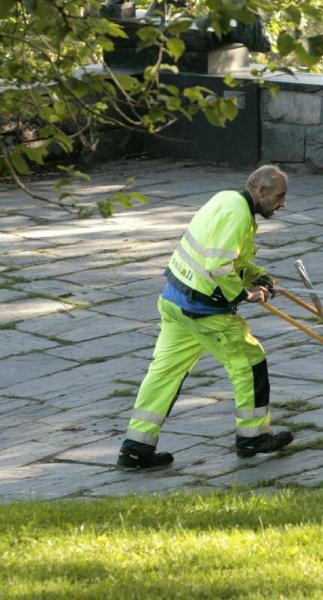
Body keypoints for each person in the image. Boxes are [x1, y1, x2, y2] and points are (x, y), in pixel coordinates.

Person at [117, 164, 293, 470]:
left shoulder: (226, 200)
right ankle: (252, 437)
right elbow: (219, 266)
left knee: (164, 373)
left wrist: (259, 276)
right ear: (260, 191)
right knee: (250, 362)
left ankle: (135, 448)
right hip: (203, 311)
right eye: (279, 196)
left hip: (174, 300)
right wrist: (244, 295)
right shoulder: (239, 215)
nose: (282, 204)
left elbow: (229, 257)